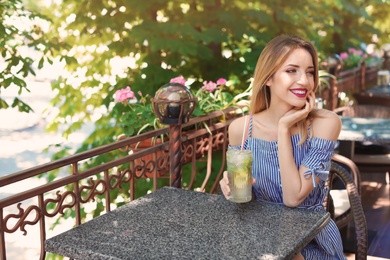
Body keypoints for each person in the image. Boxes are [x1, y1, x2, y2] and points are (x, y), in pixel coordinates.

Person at [219, 34, 346, 259]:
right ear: (268, 78)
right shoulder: (241, 129)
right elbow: (243, 195)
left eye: (309, 72)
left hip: (311, 240)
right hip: (260, 238)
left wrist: (283, 129)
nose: (305, 81)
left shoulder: (325, 123)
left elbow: (293, 197)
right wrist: (230, 186)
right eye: (291, 71)